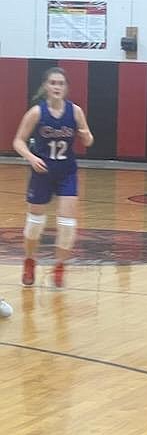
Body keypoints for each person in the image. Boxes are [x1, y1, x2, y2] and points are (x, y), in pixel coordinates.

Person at [13, 67, 94, 289]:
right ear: (46, 87)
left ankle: (59, 266)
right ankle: (30, 261)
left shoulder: (75, 111)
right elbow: (18, 141)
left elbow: (88, 141)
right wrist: (30, 157)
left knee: (68, 224)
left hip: (66, 171)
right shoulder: (37, 113)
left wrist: (86, 134)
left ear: (66, 88)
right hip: (42, 172)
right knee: (35, 224)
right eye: (53, 83)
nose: (57, 87)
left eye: (61, 83)